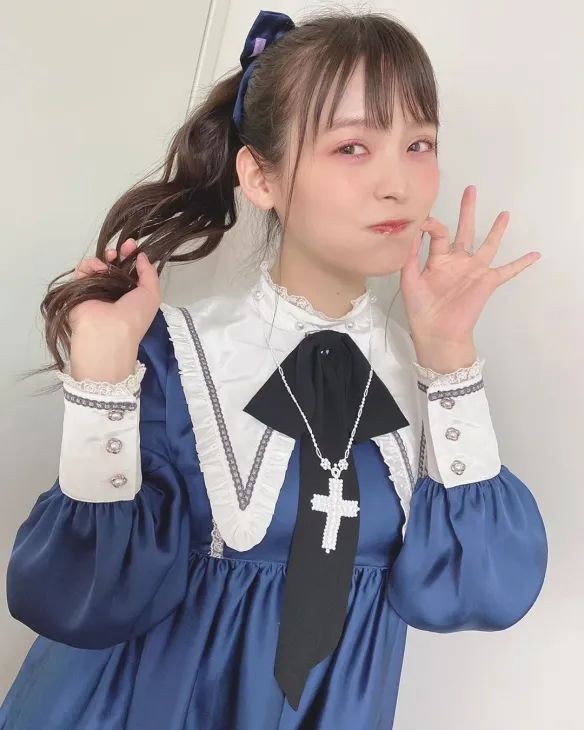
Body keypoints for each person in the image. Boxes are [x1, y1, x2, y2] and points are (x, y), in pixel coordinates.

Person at [0, 9, 548, 729]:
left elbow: (482, 592)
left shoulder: (435, 379)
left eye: (419, 144)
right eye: (353, 147)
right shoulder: (175, 353)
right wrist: (102, 373)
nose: (399, 184)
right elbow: (82, 597)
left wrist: (449, 352)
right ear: (260, 177)